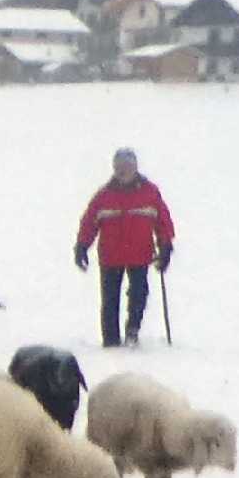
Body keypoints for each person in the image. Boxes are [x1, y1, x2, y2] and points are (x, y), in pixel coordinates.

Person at [73, 147, 176, 347]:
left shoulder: (150, 193)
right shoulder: (104, 196)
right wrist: (82, 246)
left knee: (139, 295)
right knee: (110, 300)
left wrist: (166, 246)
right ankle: (110, 340)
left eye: (127, 167)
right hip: (110, 257)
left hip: (140, 255)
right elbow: (89, 222)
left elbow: (163, 222)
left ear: (135, 168)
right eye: (119, 167)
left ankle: (132, 330)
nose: (123, 171)